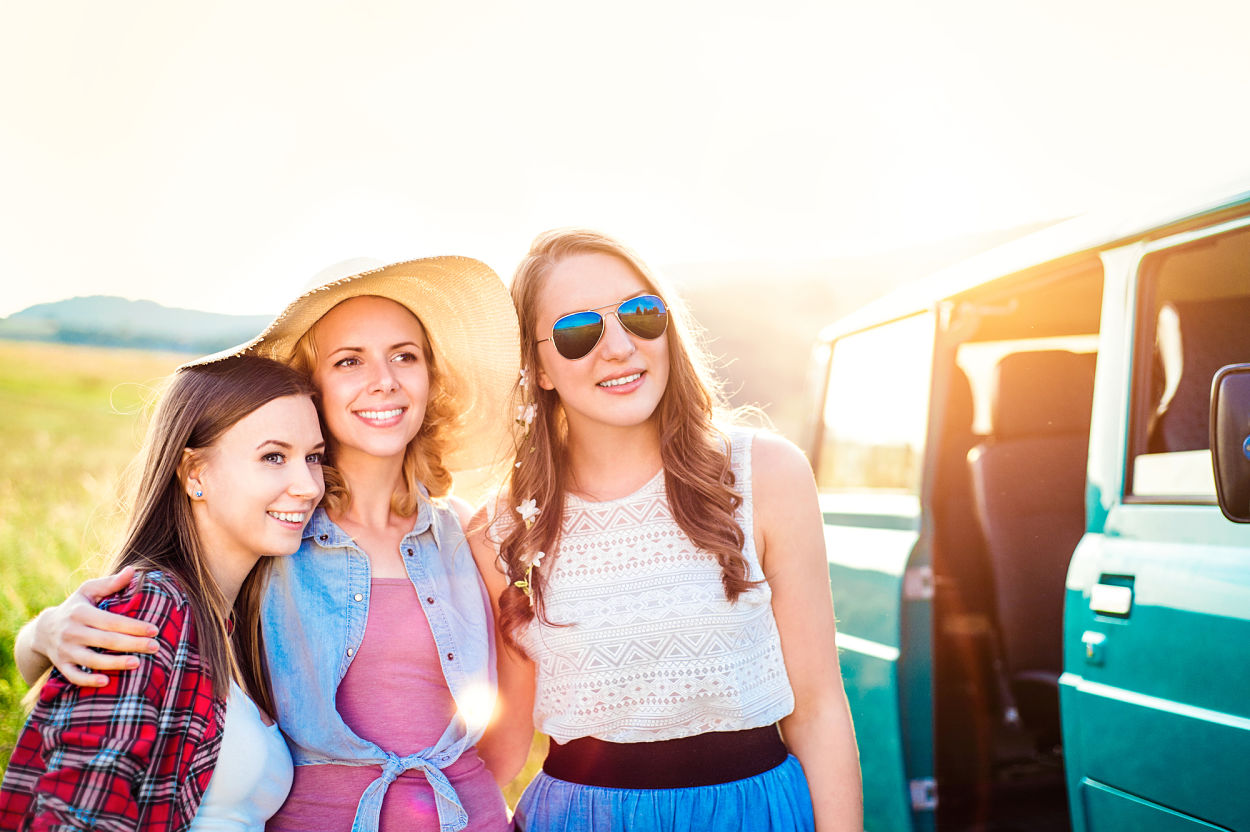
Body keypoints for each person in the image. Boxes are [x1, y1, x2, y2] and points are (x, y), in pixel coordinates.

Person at [13, 258, 520, 832]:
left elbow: (506, 737)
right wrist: (41, 635)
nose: (385, 379)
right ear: (311, 388)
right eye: (350, 360)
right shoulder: (277, 534)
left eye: (405, 355)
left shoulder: (466, 533)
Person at [470, 229, 863, 831]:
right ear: (539, 368)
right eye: (579, 332)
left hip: (755, 815)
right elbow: (504, 743)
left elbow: (817, 708)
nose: (620, 347)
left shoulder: (767, 476)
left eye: (640, 313)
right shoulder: (502, 530)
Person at [0, 355, 325, 831]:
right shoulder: (151, 609)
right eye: (273, 456)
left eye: (313, 457)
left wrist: (35, 638)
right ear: (195, 473)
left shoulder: (234, 618)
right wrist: (39, 635)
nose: (307, 485)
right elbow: (78, 814)